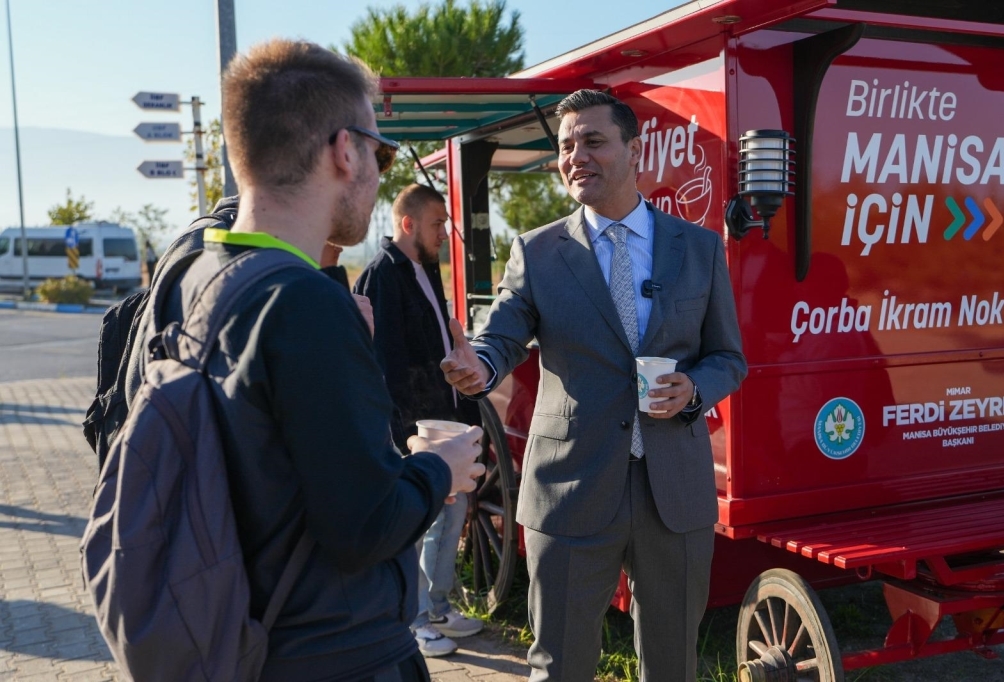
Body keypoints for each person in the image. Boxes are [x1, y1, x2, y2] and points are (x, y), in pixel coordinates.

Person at [148, 39, 484, 681]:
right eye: (381, 152)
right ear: (345, 150)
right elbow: (363, 526)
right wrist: (438, 470)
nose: (382, 173)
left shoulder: (194, 271)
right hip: (335, 652)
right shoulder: (302, 307)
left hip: (241, 634)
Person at [440, 89, 747, 682]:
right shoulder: (537, 251)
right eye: (565, 145)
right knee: (561, 666)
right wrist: (478, 365)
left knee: (673, 665)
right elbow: (501, 335)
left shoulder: (700, 248)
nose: (575, 155)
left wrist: (695, 388)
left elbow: (728, 358)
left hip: (673, 492)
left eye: (593, 141)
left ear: (635, 149)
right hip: (571, 491)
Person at [354, 184, 484, 658]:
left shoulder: (424, 269)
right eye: (437, 224)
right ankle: (412, 621)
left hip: (441, 419)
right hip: (412, 430)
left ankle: (439, 607)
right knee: (417, 523)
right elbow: (383, 363)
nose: (445, 233)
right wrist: (404, 436)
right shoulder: (381, 277)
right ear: (408, 224)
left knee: (449, 519)